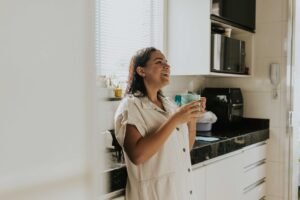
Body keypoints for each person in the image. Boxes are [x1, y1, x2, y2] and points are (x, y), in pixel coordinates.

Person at [114, 47, 206, 200]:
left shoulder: (169, 105)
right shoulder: (130, 107)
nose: (167, 66)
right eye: (159, 62)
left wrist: (192, 118)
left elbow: (185, 149)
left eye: (167, 62)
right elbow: (137, 155)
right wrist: (175, 119)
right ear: (141, 71)